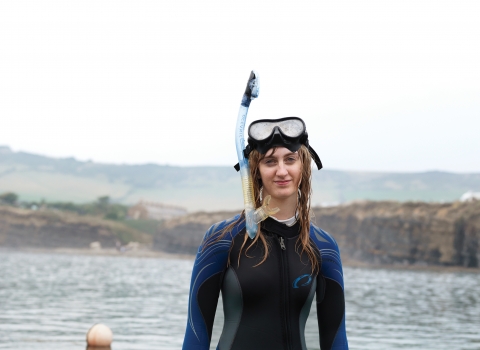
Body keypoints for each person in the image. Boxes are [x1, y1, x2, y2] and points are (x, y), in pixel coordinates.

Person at [182, 117, 348, 350]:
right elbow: (196, 329)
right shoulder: (223, 239)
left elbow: (335, 336)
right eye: (270, 161)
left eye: (290, 159)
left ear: (303, 166)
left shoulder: (322, 246)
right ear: (256, 171)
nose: (282, 171)